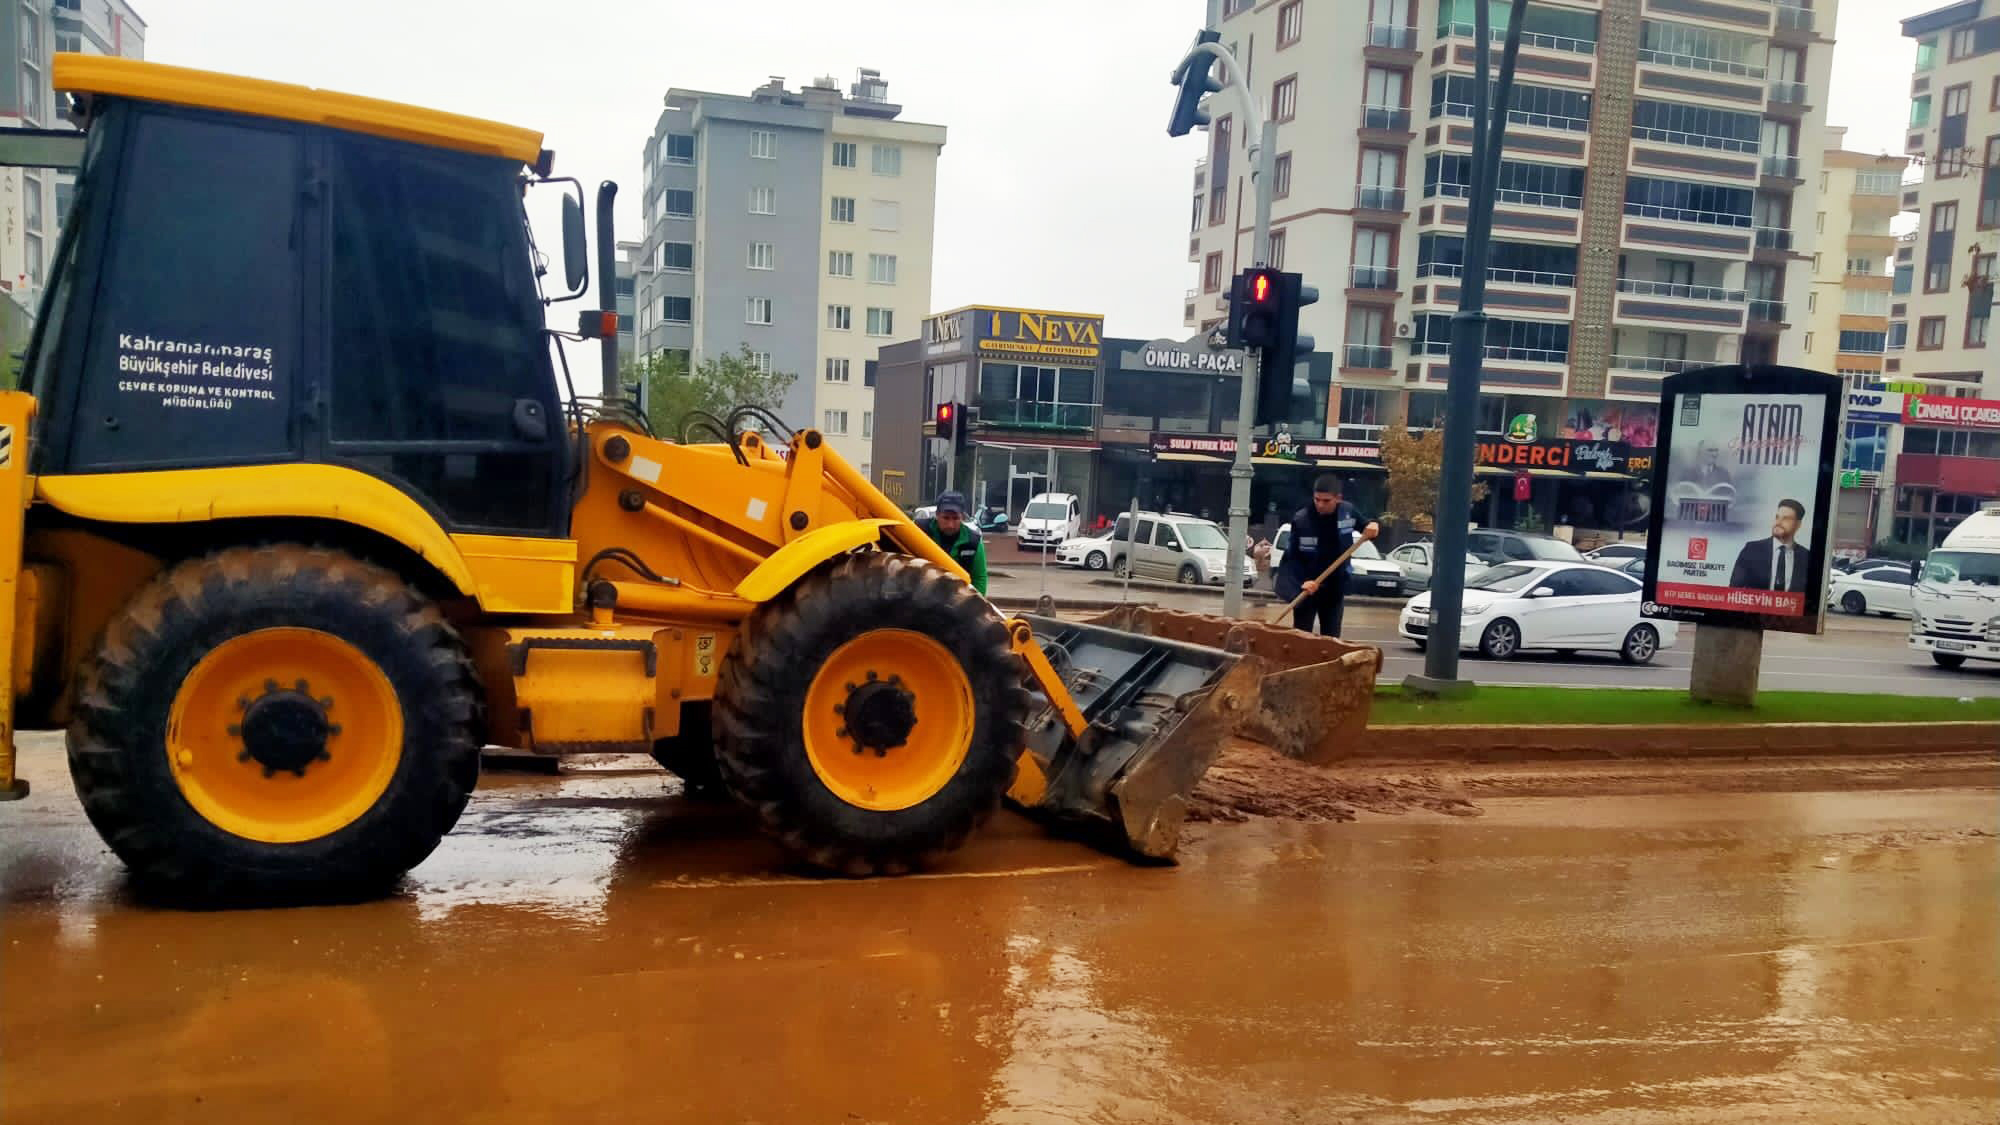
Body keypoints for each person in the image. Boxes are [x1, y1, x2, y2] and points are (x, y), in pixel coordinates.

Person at [1276, 475, 1380, 637]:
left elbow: (1367, 525)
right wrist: (1304, 582)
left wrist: (1372, 525)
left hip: (1334, 587)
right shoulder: (1302, 520)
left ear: (1338, 498)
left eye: (1326, 501)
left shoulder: (1347, 512)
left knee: (1331, 638)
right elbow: (1292, 558)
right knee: (1302, 638)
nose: (1320, 505)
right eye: (1317, 499)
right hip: (1307, 589)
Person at [1729, 499, 1813, 593]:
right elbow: (1733, 591)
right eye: (1777, 517)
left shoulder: (1807, 557)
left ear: (1798, 524)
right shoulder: (1751, 550)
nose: (1778, 522)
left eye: (1786, 519)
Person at [922, 491, 988, 595]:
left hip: (957, 598)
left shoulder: (973, 542)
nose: (950, 524)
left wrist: (976, 606)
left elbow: (979, 578)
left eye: (955, 518)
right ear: (937, 515)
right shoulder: (919, 531)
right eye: (946, 518)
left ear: (962, 517)